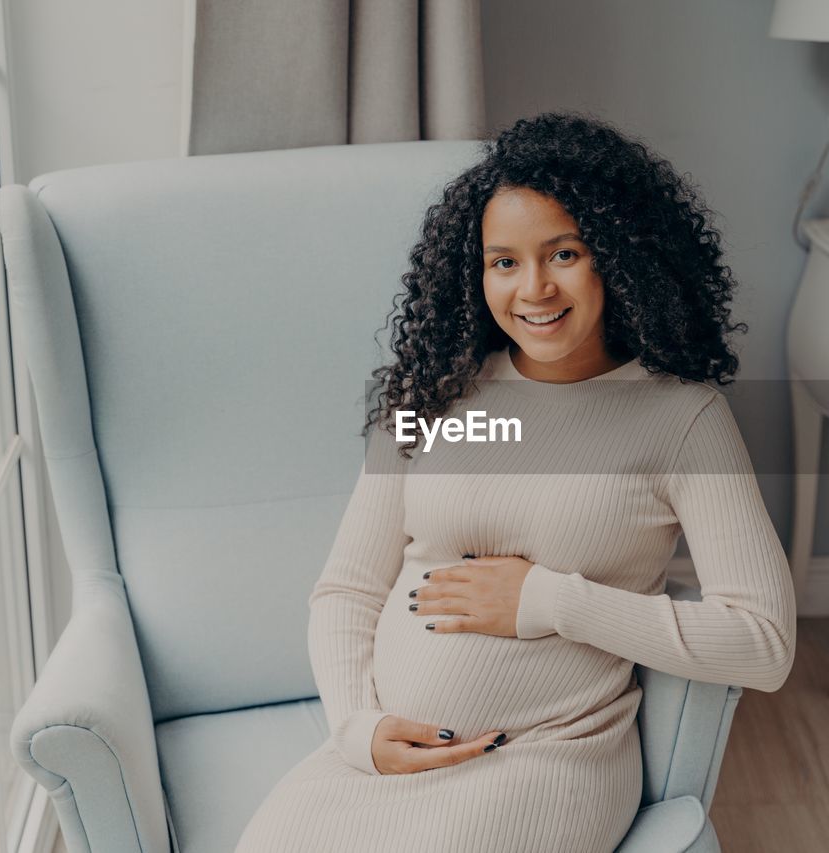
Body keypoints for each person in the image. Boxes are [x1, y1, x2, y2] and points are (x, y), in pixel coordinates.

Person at [235, 111, 796, 853]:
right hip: (382, 760)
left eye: (562, 252)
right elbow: (346, 590)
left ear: (618, 257)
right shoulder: (432, 396)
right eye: (503, 261)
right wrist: (356, 729)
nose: (533, 288)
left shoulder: (681, 419)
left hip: (543, 761)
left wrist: (551, 600)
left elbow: (762, 641)